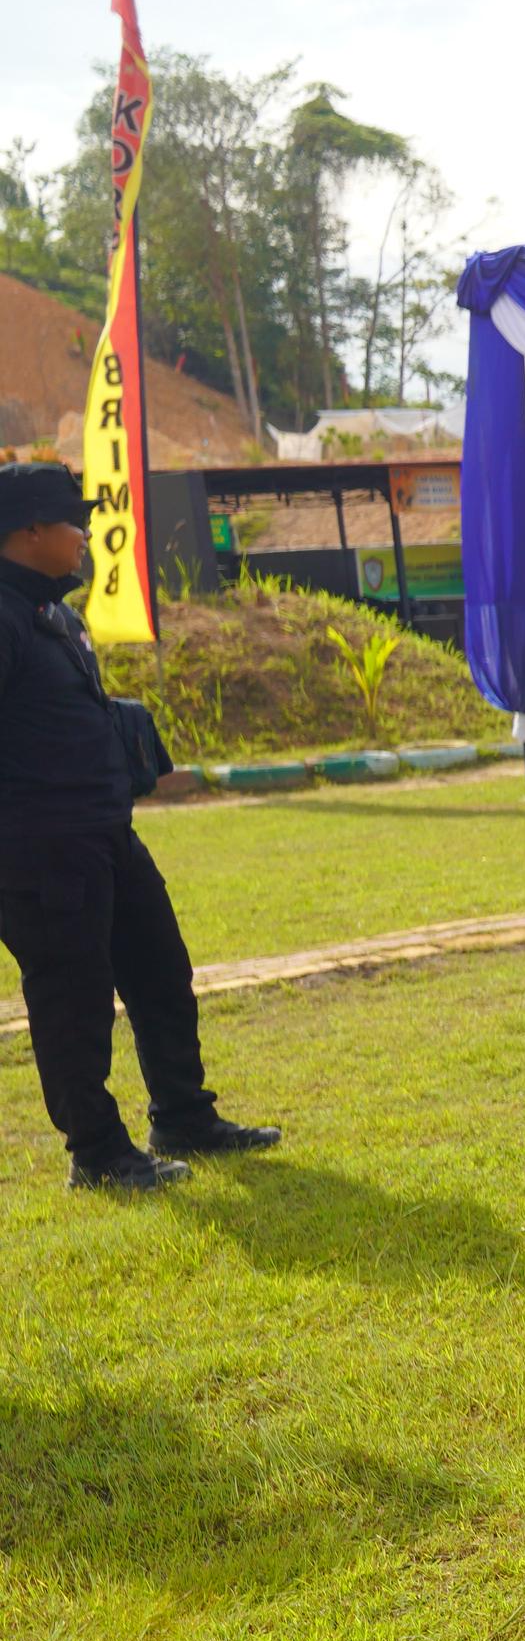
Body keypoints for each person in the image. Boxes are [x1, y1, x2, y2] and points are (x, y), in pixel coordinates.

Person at [0, 463, 276, 1191]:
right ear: (28, 530)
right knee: (73, 1000)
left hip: (104, 835)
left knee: (161, 973)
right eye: (71, 520)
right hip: (42, 851)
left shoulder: (56, 614)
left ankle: (183, 1115)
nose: (85, 532)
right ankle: (95, 1154)